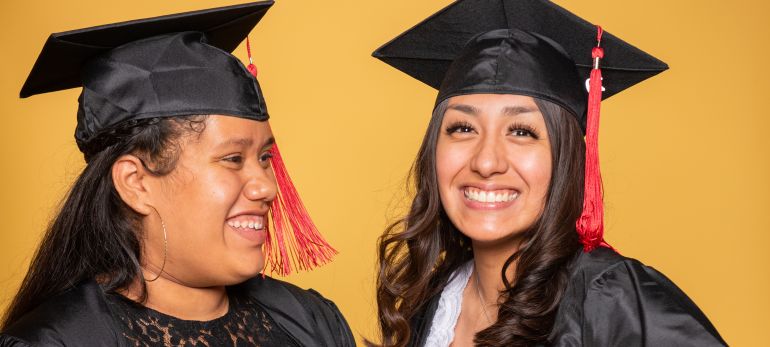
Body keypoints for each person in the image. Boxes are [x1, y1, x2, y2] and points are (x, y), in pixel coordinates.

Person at [371, 0, 726, 346]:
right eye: (463, 128)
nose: (486, 161)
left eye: (521, 132)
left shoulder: (607, 300)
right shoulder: (431, 304)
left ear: (566, 157)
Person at [0, 2, 353, 346]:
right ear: (135, 183)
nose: (266, 186)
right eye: (232, 158)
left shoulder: (309, 321)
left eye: (264, 157)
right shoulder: (63, 340)